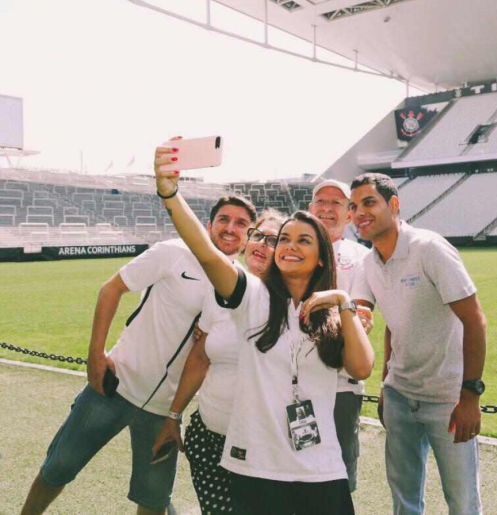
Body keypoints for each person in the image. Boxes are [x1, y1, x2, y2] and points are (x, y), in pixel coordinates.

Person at [154, 139, 375, 515]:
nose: (289, 246)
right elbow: (206, 253)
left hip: (319, 468)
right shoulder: (251, 297)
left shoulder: (332, 312)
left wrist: (345, 304)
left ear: (322, 258)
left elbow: (361, 368)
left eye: (304, 240)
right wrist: (170, 194)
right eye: (283, 239)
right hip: (255, 466)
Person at [20, 195, 256, 515]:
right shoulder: (173, 252)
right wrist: (95, 355)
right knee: (58, 467)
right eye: (224, 219)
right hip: (115, 385)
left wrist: (177, 411)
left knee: (153, 499)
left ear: (248, 234)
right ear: (208, 225)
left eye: (241, 223)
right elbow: (111, 289)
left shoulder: (242, 287)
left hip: (165, 411)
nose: (231, 228)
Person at [349, 173, 488, 515]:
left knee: (462, 501)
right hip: (399, 396)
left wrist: (470, 395)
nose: (359, 213)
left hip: (447, 399)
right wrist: (385, 383)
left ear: (393, 205)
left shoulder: (429, 248)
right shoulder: (369, 262)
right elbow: (392, 325)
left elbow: (475, 320)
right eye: (353, 206)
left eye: (369, 202)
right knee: (404, 500)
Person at [151, 208, 287, 515]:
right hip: (209, 437)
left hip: (262, 449)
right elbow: (200, 358)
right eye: (257, 236)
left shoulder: (291, 302)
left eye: (274, 240)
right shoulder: (219, 292)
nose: (262, 245)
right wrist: (174, 415)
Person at [309, 179, 375, 492]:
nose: (327, 208)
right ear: (311, 208)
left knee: (338, 478)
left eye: (336, 203)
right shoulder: (293, 246)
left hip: (341, 385)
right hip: (293, 382)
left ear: (349, 213)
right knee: (293, 471)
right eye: (321, 201)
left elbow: (360, 316)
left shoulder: (361, 257)